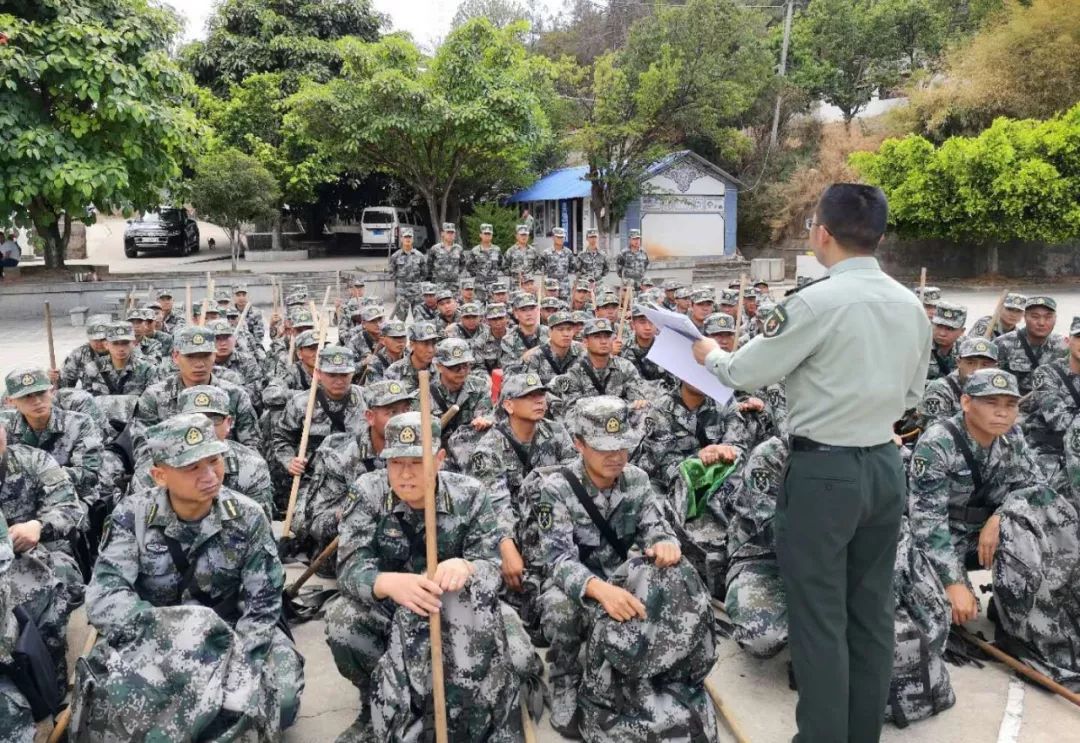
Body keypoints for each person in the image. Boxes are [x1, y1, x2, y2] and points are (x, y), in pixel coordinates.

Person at [693, 183, 930, 743]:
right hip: (883, 467)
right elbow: (912, 399)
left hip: (825, 475)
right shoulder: (909, 305)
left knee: (819, 617)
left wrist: (708, 353)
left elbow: (742, 374)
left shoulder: (814, 303)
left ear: (822, 233)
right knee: (870, 614)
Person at [72, 414, 303, 738]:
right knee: (115, 709)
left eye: (214, 460)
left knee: (279, 697)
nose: (209, 475)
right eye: (192, 467)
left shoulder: (248, 516)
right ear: (160, 475)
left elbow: (262, 604)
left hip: (233, 632)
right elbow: (106, 595)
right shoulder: (131, 516)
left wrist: (236, 660)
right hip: (154, 636)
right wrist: (171, 637)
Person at [324, 412, 527, 740]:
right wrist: (385, 582)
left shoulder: (470, 494)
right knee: (343, 622)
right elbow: (349, 566)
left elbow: (492, 567)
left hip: (460, 610)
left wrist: (467, 566)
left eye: (417, 462)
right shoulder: (367, 493)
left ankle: (458, 704)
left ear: (440, 459)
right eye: (395, 463)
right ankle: (378, 698)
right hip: (392, 609)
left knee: (518, 659)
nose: (405, 474)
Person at [535, 396, 719, 738]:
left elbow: (656, 526)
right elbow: (557, 561)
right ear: (578, 443)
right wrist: (600, 590)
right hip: (581, 584)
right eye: (604, 447)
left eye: (622, 446)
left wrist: (665, 542)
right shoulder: (557, 489)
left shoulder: (636, 479)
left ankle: (658, 664)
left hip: (625, 577)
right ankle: (565, 678)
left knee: (672, 576)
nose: (616, 456)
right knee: (558, 607)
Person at [909, 369, 1041, 626]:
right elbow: (927, 522)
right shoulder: (938, 443)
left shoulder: (1013, 436)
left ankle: (1008, 605)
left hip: (985, 536)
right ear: (967, 402)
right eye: (991, 403)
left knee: (1044, 521)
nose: (1002, 412)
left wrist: (1000, 517)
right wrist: (953, 581)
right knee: (946, 615)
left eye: (1011, 404)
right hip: (943, 537)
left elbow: (1035, 487)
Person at [0, 423, 86, 692]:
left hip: (42, 551)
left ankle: (51, 683)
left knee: (43, 591)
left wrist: (38, 525)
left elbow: (70, 509)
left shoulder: (33, 460)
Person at [297, 380, 416, 564]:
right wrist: (350, 512)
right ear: (370, 417)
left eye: (406, 410)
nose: (402, 419)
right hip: (355, 551)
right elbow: (317, 524)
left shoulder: (421, 455)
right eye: (392, 412)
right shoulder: (341, 458)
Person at [130, 386, 274, 521]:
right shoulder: (153, 471)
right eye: (194, 418)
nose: (204, 427)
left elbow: (257, 525)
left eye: (214, 419)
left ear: (228, 423)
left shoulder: (253, 466)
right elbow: (140, 523)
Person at [136, 326, 260, 450]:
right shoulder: (154, 397)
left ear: (214, 355)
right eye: (191, 356)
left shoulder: (235, 395)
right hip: (173, 467)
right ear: (175, 356)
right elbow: (144, 448)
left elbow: (251, 447)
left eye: (205, 356)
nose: (199, 364)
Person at [5, 368, 104, 510]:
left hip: (72, 497)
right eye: (27, 396)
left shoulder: (79, 423)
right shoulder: (5, 428)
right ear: (10, 401)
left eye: (41, 393)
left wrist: (39, 476)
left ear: (52, 392)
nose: (37, 401)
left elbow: (88, 475)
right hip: (21, 500)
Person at [917, 336, 998, 430]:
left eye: (985, 365)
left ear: (995, 367)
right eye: (970, 363)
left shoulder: (998, 392)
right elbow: (937, 433)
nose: (977, 370)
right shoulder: (940, 389)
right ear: (958, 362)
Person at [994, 295, 1068, 396]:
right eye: (1035, 317)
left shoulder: (1064, 345)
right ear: (1025, 317)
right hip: (1016, 406)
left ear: (1055, 318)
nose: (1041, 323)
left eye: (1048, 317)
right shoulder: (1002, 344)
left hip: (1053, 407)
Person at [81, 322, 156, 397]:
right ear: (106, 345)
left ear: (133, 343)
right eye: (115, 343)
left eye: (125, 343)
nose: (121, 349)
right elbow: (86, 401)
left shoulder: (147, 369)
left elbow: (153, 401)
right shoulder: (92, 368)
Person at [388, 227, 427, 321]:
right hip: (402, 292)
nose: (408, 239)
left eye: (410, 237)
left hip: (416, 292)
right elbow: (391, 273)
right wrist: (400, 283)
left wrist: (416, 283)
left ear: (413, 239)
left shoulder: (420, 255)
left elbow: (424, 273)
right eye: (405, 237)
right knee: (400, 320)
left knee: (419, 319)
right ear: (401, 239)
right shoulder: (395, 256)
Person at [926, 301, 967, 382]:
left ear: (962, 331)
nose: (942, 333)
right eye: (939, 326)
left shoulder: (967, 349)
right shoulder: (919, 345)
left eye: (950, 329)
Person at [465, 223, 502, 303]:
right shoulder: (475, 250)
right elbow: (468, 266)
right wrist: (479, 274)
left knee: (494, 309)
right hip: (480, 286)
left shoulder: (497, 249)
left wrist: (493, 272)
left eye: (489, 234)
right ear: (480, 235)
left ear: (492, 235)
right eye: (485, 233)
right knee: (480, 308)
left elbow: (500, 263)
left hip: (493, 285)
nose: (487, 236)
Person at [428, 222, 466, 292]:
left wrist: (455, 273)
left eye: (452, 232)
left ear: (455, 234)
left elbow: (462, 263)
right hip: (439, 285)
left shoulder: (459, 249)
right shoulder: (435, 249)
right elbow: (429, 264)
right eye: (448, 232)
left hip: (454, 284)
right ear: (442, 233)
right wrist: (437, 274)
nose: (450, 235)